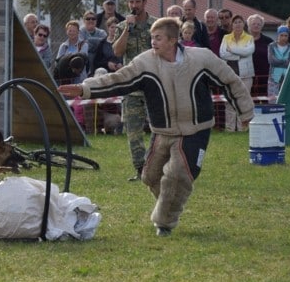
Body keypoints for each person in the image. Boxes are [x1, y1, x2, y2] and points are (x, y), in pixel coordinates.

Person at [58, 17, 254, 237]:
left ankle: (164, 223)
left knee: (176, 175)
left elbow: (231, 81)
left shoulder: (202, 58)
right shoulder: (145, 63)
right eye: (152, 37)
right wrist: (84, 89)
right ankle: (172, 201)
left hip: (195, 130)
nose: (153, 42)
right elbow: (116, 80)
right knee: (150, 176)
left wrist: (245, 111)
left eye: (158, 38)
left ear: (173, 40)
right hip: (162, 131)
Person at [112, 0, 157, 181]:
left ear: (145, 3)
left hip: (154, 86)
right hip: (131, 87)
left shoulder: (156, 25)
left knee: (160, 129)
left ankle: (156, 166)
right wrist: (127, 31)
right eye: (131, 2)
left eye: (138, 2)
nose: (134, 6)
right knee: (133, 131)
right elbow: (117, 52)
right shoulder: (123, 26)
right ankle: (140, 169)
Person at [220, 14, 255, 132]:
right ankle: (229, 128)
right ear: (232, 25)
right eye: (235, 22)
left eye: (240, 22)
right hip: (230, 74)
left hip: (246, 75)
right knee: (229, 101)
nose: (238, 24)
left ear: (243, 24)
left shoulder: (249, 38)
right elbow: (223, 54)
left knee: (244, 101)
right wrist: (239, 55)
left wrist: (232, 50)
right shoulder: (226, 37)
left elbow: (248, 51)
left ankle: (242, 128)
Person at [247, 14, 273, 97]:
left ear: (262, 26)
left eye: (258, 24)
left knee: (264, 102)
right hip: (247, 77)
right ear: (249, 25)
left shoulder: (269, 41)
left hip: (264, 77)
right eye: (253, 24)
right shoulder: (243, 40)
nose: (256, 26)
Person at [267, 25, 290, 103]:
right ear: (278, 35)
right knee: (272, 98)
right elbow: (271, 61)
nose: (283, 37)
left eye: (285, 35)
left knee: (287, 96)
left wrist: (279, 61)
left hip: (286, 75)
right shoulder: (271, 46)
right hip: (274, 76)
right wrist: (283, 61)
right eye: (281, 35)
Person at [79, 10, 107, 76]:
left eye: (93, 19)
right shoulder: (80, 31)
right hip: (85, 60)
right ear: (84, 21)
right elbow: (82, 45)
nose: (91, 20)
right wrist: (97, 42)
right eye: (88, 19)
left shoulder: (101, 32)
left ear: (96, 21)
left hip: (99, 59)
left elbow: (104, 44)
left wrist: (88, 41)